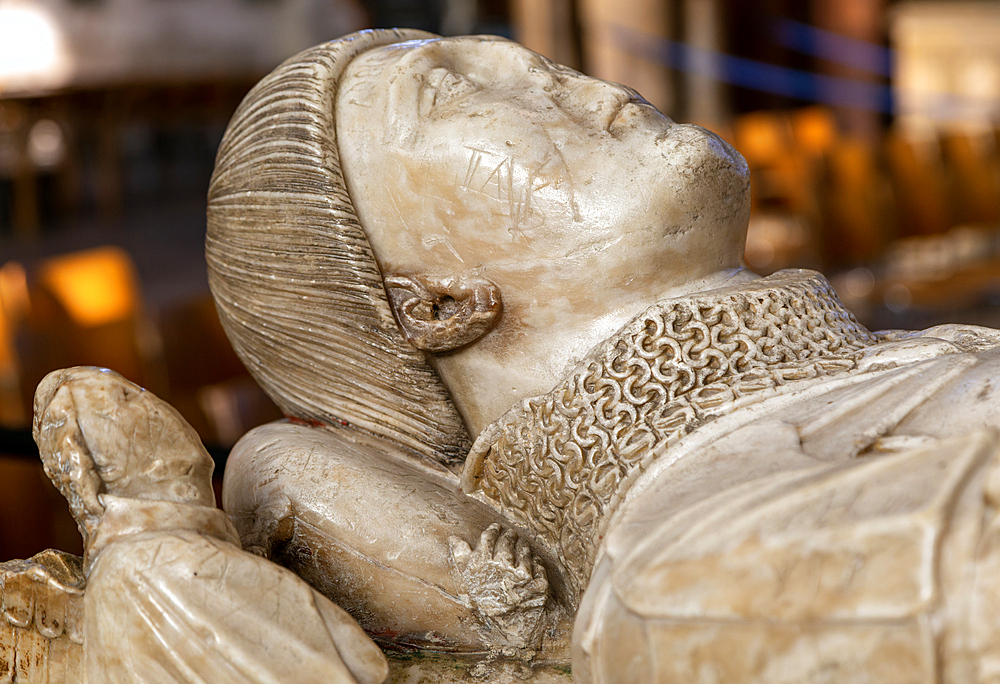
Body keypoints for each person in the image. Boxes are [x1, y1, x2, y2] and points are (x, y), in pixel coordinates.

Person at [208, 29, 1000, 680]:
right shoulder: (693, 578)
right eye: (452, 92)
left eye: (526, 59)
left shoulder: (886, 375)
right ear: (438, 306)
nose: (548, 73)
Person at [30, 366, 388, 684]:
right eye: (123, 399)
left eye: (137, 389)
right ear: (97, 467)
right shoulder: (154, 567)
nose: (151, 403)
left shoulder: (156, 557)